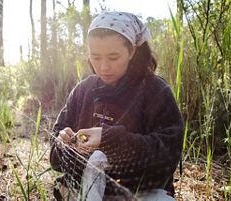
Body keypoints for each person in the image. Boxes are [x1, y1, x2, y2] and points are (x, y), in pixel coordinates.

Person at [50, 11, 184, 201]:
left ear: (132, 51)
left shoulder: (156, 91)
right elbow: (55, 157)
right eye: (95, 57)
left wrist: (109, 141)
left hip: (138, 193)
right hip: (84, 190)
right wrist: (65, 144)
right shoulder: (83, 91)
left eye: (113, 57)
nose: (104, 67)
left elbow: (166, 157)